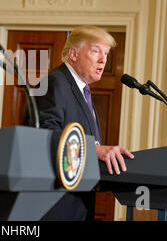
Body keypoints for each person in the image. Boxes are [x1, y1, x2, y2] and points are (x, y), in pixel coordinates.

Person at [26, 25, 134, 221]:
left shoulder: (82, 90)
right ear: (74, 54)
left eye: (106, 53)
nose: (103, 60)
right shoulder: (54, 82)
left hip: (78, 200)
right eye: (96, 51)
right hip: (56, 204)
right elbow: (45, 135)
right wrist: (95, 150)